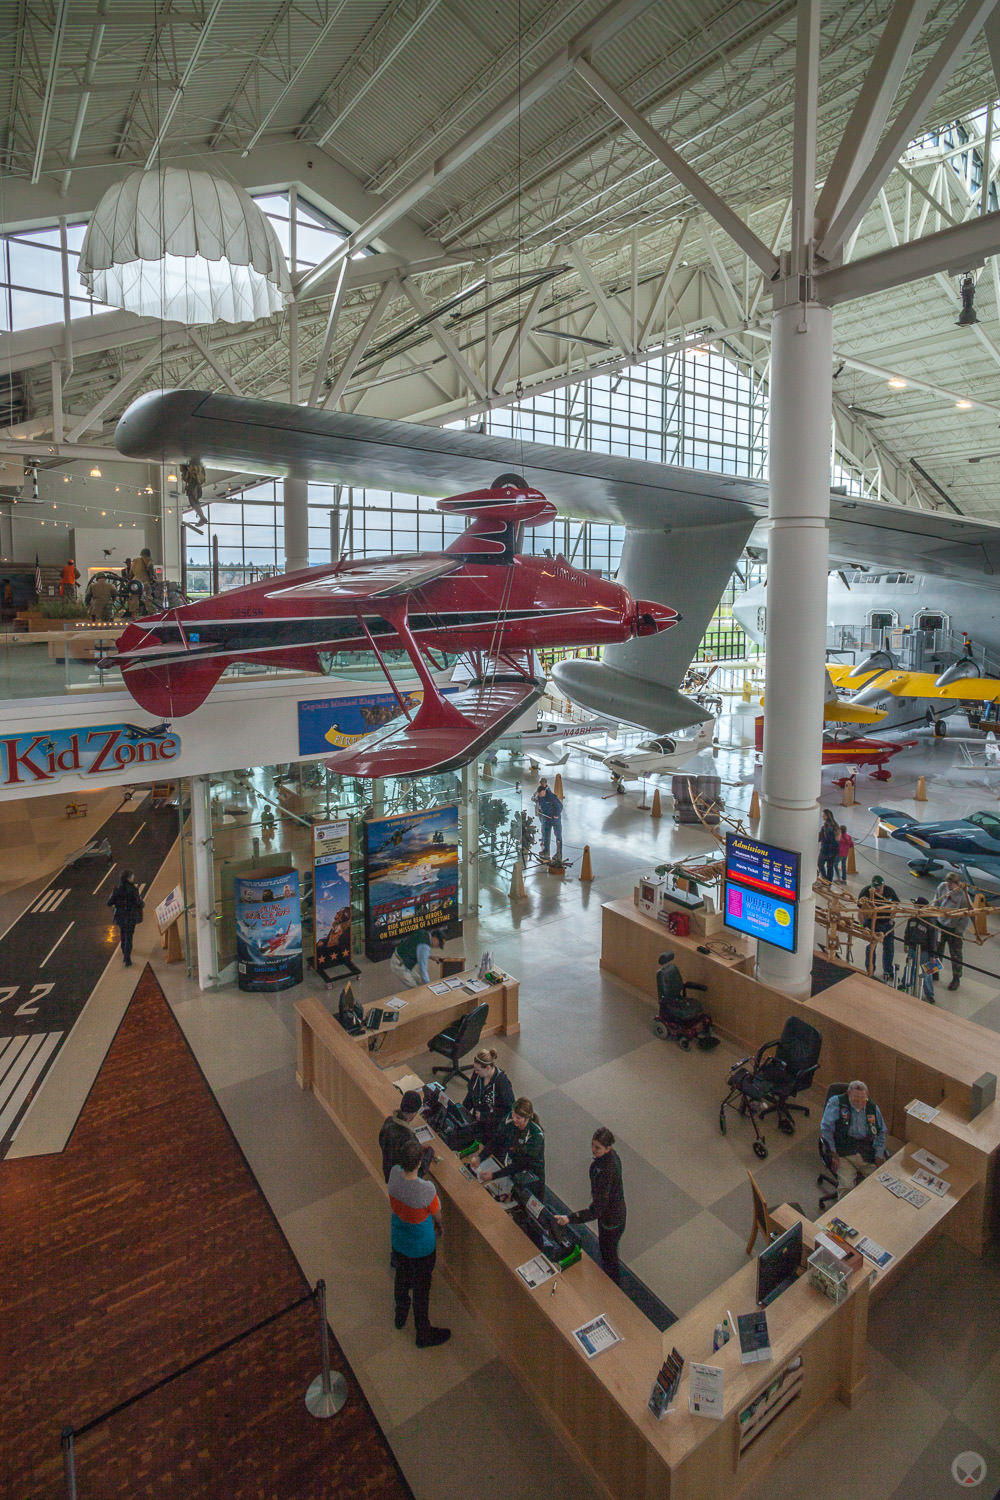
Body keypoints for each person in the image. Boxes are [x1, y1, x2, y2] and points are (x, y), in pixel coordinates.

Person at [387, 1138, 450, 1347]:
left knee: (402, 1278)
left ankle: (400, 1314)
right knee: (422, 1290)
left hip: (399, 1240)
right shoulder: (427, 1189)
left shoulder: (394, 1174)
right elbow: (437, 1216)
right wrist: (441, 1228)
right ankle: (422, 1332)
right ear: (421, 1162)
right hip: (421, 1248)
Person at [554, 1126, 627, 1284]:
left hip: (612, 1220)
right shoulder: (612, 1158)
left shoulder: (607, 1171)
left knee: (609, 1255)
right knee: (606, 1250)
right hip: (612, 1214)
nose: (593, 1150)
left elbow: (596, 1210)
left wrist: (570, 1218)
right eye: (593, 1145)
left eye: (598, 1148)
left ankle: (613, 1285)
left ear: (608, 1148)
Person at [820, 1080, 887, 1200]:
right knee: (846, 1187)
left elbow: (881, 1132)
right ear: (848, 1093)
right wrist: (832, 1152)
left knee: (879, 1183)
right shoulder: (836, 1103)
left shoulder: (872, 1107)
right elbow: (826, 1129)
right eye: (856, 1098)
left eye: (863, 1099)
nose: (860, 1102)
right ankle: (843, 1214)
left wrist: (879, 1154)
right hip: (842, 1151)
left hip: (865, 1151)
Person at [469, 1097, 545, 1191]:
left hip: (531, 1173)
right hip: (511, 1163)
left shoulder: (536, 1136)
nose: (514, 1119)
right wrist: (480, 1157)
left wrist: (494, 1175)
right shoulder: (510, 1119)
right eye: (513, 1115)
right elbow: (496, 1140)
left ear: (527, 1118)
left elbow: (521, 1164)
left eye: (518, 1118)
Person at [461, 1047, 514, 1138]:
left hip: (493, 1125)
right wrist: (462, 1110)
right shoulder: (478, 1074)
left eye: (478, 1070)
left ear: (488, 1068)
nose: (475, 1072)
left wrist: (484, 1116)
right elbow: (471, 1093)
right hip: (477, 1119)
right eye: (475, 1069)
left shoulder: (502, 1083)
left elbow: (507, 1111)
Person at [934, 871, 972, 991]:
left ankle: (956, 978)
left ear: (957, 883)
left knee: (955, 955)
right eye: (947, 883)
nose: (948, 886)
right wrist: (935, 919)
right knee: (937, 951)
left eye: (951, 884)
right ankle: (935, 972)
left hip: (954, 930)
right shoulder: (942, 887)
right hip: (941, 925)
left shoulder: (963, 896)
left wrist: (958, 930)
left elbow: (967, 916)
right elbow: (936, 902)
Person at [379, 1090, 427, 1182]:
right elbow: (415, 1167)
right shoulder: (409, 1138)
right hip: (402, 1180)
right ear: (413, 1113)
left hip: (388, 1170)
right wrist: (428, 1154)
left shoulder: (388, 1121)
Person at [858, 873, 899, 981]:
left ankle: (888, 971)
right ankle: (870, 970)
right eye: (874, 888)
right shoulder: (865, 892)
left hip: (886, 924)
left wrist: (892, 919)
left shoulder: (889, 891)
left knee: (889, 948)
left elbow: (896, 906)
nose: (876, 891)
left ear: (883, 885)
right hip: (871, 925)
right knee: (870, 949)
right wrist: (863, 926)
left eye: (879, 888)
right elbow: (860, 911)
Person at [903, 896, 939, 1002]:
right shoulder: (913, 917)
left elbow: (933, 939)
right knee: (909, 968)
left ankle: (929, 994)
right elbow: (907, 932)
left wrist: (933, 955)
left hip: (925, 951)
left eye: (916, 905)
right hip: (912, 947)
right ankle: (906, 985)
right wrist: (906, 944)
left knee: (926, 973)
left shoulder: (930, 921)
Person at [107, 868, 144, 967]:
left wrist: (117, 904)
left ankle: (123, 950)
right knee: (129, 937)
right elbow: (139, 903)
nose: (133, 878)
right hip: (130, 916)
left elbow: (109, 902)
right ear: (128, 878)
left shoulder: (117, 889)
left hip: (120, 916)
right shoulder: (133, 890)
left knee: (123, 933)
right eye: (132, 876)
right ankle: (127, 958)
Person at [533, 777, 563, 863]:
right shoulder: (539, 796)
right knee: (546, 835)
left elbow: (560, 806)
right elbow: (537, 801)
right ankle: (546, 851)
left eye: (541, 794)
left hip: (554, 819)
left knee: (558, 836)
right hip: (546, 818)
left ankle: (559, 854)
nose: (540, 796)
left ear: (544, 791)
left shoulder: (552, 797)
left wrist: (556, 815)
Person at [817, 809, 839, 883]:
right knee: (830, 867)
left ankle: (825, 880)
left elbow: (821, 838)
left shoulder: (825, 827)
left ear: (826, 816)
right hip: (834, 850)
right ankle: (829, 882)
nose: (822, 816)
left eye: (823, 815)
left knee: (820, 864)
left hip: (825, 850)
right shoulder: (835, 825)